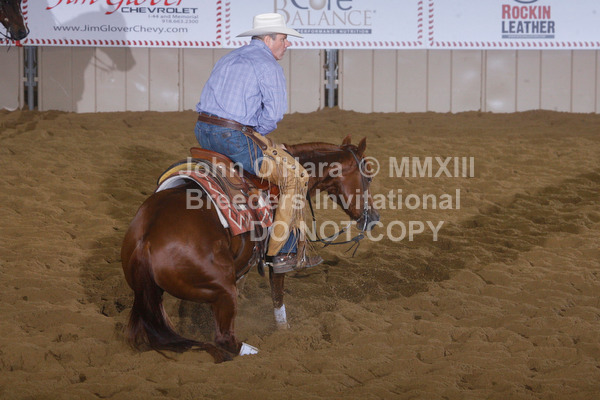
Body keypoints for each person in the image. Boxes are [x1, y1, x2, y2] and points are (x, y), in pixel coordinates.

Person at [194, 13, 322, 273]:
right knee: (294, 178)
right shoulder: (268, 66)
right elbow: (273, 115)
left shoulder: (229, 57)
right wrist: (258, 135)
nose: (287, 44)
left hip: (203, 131)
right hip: (233, 139)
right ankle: (281, 252)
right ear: (268, 39)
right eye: (283, 39)